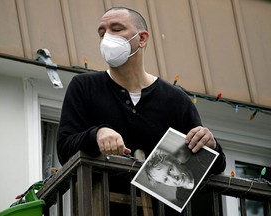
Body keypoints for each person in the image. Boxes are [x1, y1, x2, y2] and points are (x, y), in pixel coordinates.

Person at [57, 6, 226, 215]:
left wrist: (211, 144)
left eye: (116, 29)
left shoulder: (176, 99)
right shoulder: (84, 87)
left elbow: (215, 166)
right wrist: (97, 134)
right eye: (102, 33)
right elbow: (64, 148)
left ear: (142, 39)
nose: (107, 37)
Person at [144, 145, 216, 208]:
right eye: (166, 179)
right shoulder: (181, 196)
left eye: (170, 170)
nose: (174, 179)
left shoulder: (201, 161)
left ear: (176, 162)